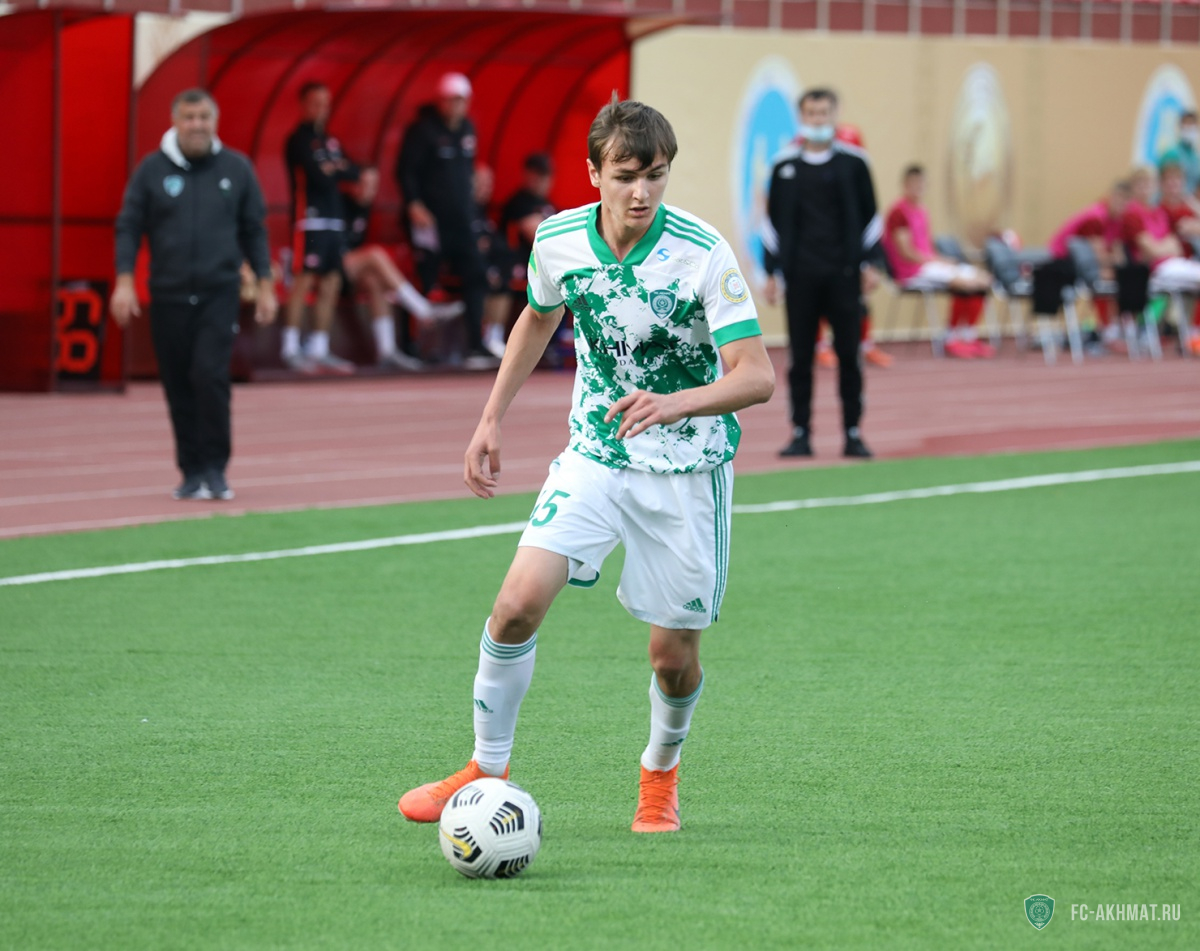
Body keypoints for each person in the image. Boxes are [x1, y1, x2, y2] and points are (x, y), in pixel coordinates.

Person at [397, 96, 775, 834]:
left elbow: (756, 376)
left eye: (655, 175)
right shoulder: (558, 239)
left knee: (671, 657)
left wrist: (675, 402)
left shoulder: (702, 252)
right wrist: (491, 416)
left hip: (686, 470)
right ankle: (486, 766)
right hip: (596, 454)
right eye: (626, 175)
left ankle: (659, 773)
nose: (641, 192)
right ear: (595, 173)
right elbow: (539, 316)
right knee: (514, 606)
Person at [112, 88, 276, 501]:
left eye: (204, 117)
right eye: (189, 117)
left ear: (214, 121)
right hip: (167, 295)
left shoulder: (236, 168)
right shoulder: (151, 170)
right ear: (175, 121)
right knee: (177, 383)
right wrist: (125, 281)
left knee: (210, 375)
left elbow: (254, 230)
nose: (197, 125)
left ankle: (216, 469)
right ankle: (191, 471)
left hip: (219, 293)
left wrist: (265, 285)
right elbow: (129, 226)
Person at [761, 87, 880, 460]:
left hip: (844, 276)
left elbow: (871, 218)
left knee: (849, 356)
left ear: (834, 115)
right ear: (802, 117)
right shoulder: (784, 166)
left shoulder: (855, 164)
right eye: (811, 113)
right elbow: (771, 225)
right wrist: (771, 272)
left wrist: (871, 264)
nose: (818, 120)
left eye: (824, 113)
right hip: (800, 278)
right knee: (800, 359)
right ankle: (800, 433)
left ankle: (853, 433)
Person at [395, 72, 493, 367]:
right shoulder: (422, 131)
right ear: (441, 101)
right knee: (424, 278)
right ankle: (413, 347)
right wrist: (414, 204)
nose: (456, 106)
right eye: (451, 100)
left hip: (462, 222)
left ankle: (476, 345)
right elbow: (405, 171)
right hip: (430, 222)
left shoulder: (468, 130)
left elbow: (466, 173)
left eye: (461, 100)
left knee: (477, 273)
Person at [340, 167, 464, 370]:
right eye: (365, 184)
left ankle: (386, 351)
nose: (370, 191)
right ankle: (422, 309)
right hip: (330, 268)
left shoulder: (365, 208)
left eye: (374, 186)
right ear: (353, 185)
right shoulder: (340, 203)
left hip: (351, 273)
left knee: (374, 282)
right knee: (375, 254)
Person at [282, 81, 360, 375]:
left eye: (325, 104)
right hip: (309, 220)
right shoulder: (297, 140)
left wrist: (337, 169)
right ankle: (290, 348)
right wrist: (337, 169)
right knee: (303, 282)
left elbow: (354, 170)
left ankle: (318, 348)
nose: (321, 109)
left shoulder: (331, 141)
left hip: (334, 220)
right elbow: (319, 177)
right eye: (315, 103)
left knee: (331, 283)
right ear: (303, 105)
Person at [882, 164, 994, 359]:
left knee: (982, 278)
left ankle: (968, 336)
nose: (918, 188)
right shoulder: (898, 212)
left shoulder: (922, 211)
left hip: (928, 264)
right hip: (911, 271)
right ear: (905, 184)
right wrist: (936, 261)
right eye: (914, 184)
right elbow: (907, 252)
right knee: (964, 282)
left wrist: (942, 260)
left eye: (921, 184)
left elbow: (927, 248)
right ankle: (951, 338)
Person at [1159, 110, 1200, 195]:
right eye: (1186, 124)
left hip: (1191, 201)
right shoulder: (1171, 154)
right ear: (1180, 127)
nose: (1189, 128)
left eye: (1192, 124)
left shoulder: (1196, 157)